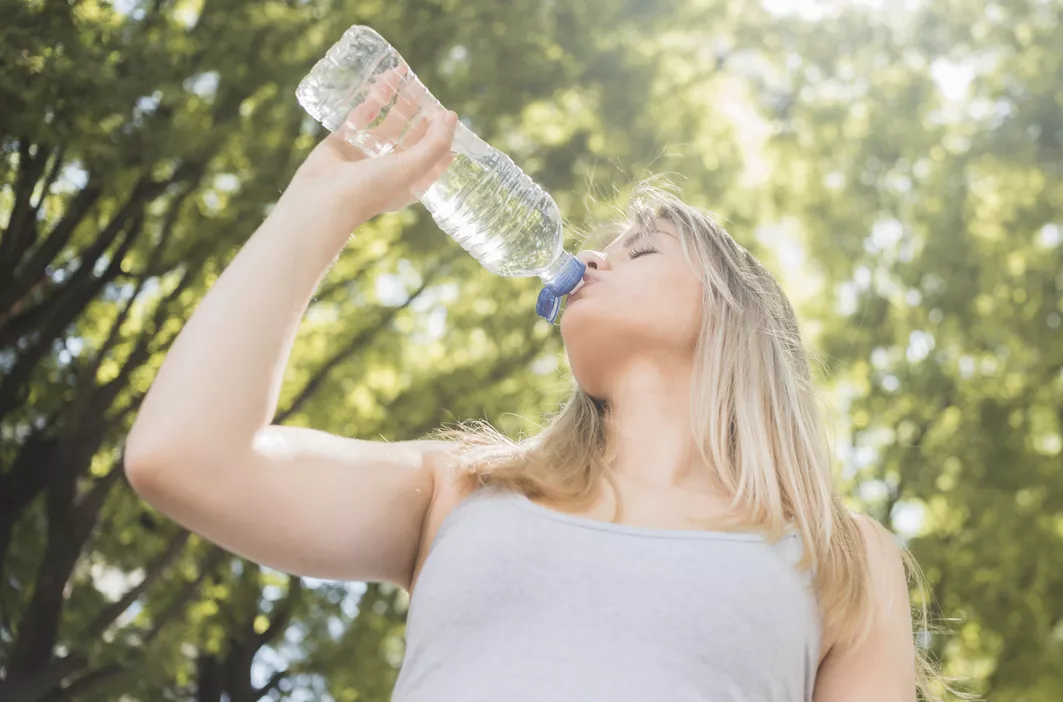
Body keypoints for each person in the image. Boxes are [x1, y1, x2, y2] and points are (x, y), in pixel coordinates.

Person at [124, 107, 940, 701]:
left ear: (735, 315)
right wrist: (322, 198)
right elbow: (185, 457)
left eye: (641, 247)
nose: (590, 255)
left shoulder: (841, 556)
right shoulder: (462, 490)